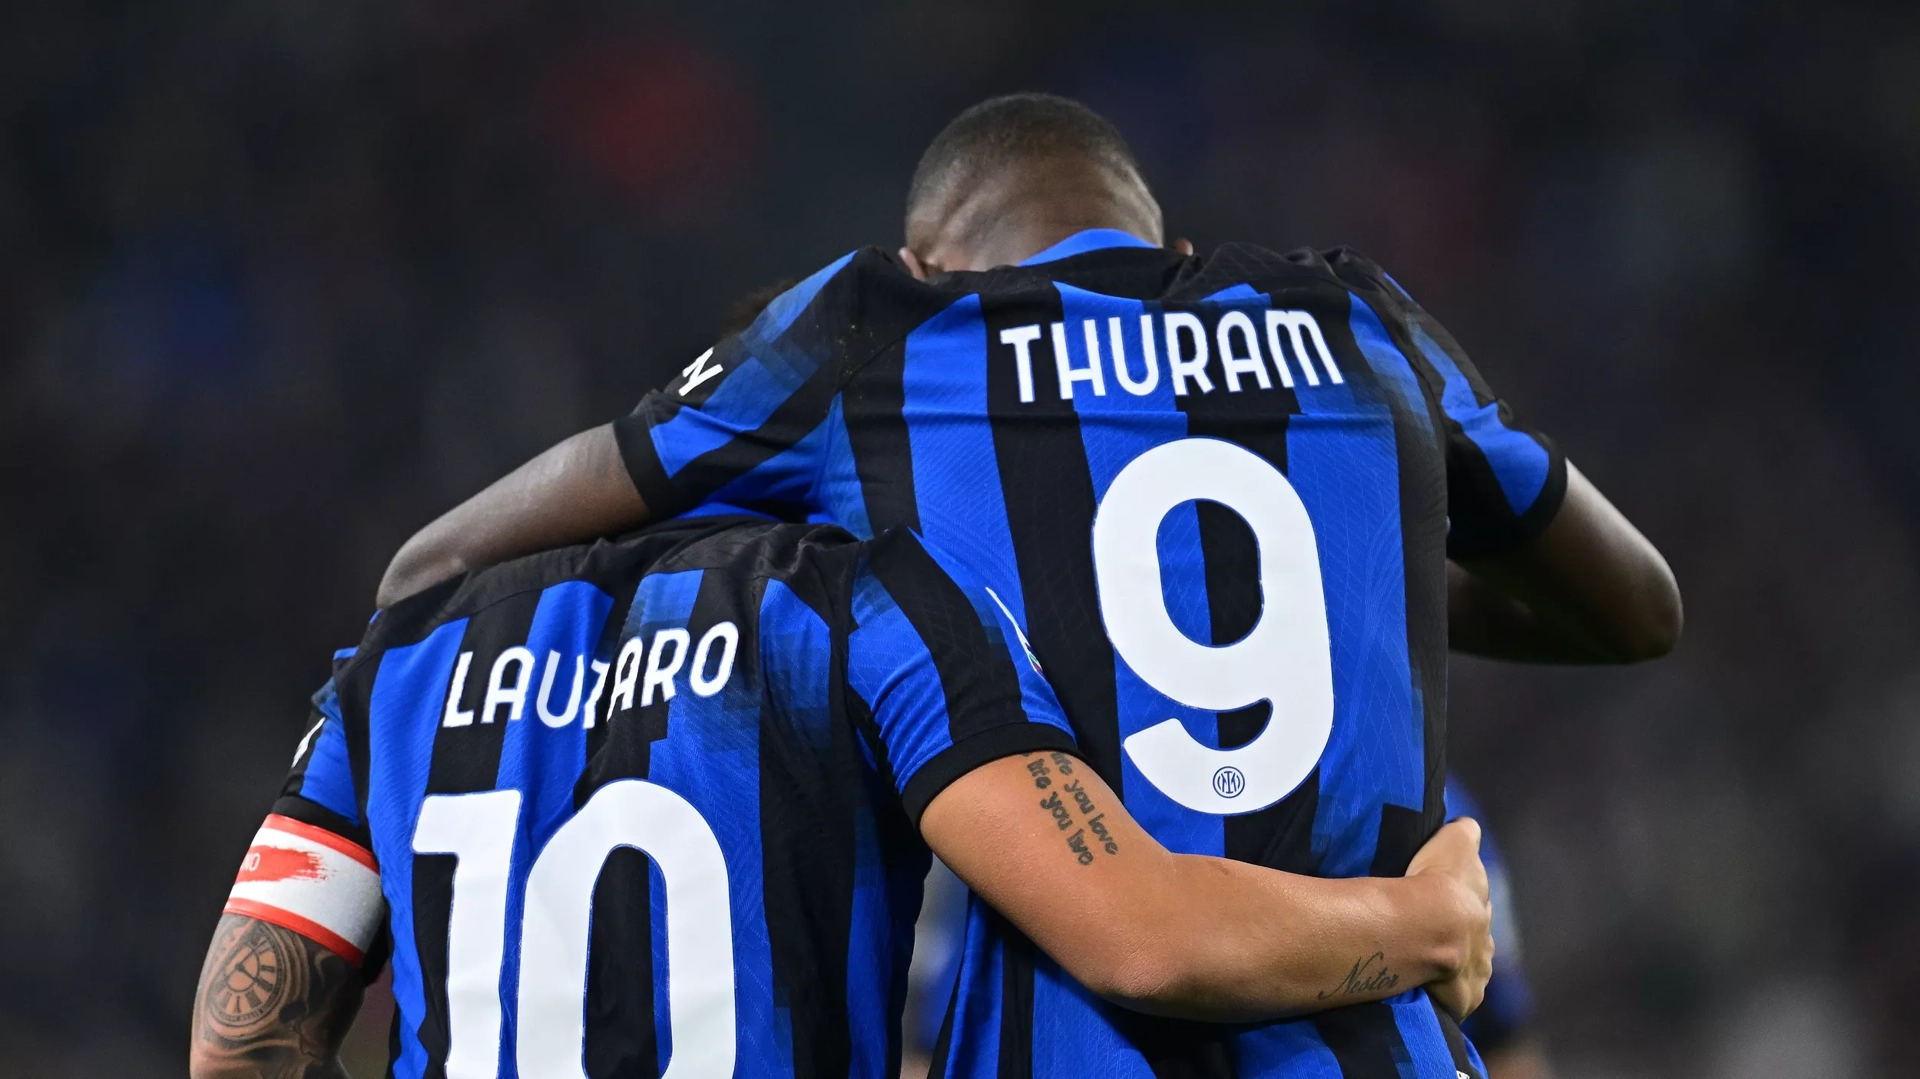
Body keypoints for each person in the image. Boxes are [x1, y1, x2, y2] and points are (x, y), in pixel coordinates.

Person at [369, 93, 1682, 1075]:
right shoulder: (1362, 322)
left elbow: (434, 569)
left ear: (925, 260)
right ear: (1161, 244)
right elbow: (1638, 608)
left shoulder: (878, 335)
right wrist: (1369, 596)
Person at [189, 515, 1494, 1078]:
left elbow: (240, 1043)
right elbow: (1141, 937)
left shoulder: (395, 670)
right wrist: (1426, 921)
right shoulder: (853, 605)